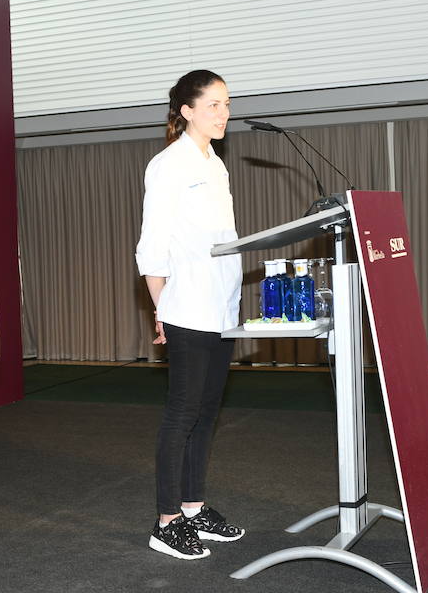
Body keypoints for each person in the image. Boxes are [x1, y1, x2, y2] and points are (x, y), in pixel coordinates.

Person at [135, 70, 246, 560]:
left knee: (206, 413)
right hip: (186, 306)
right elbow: (153, 244)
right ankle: (167, 521)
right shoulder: (168, 165)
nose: (224, 114)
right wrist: (161, 307)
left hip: (220, 307)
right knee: (182, 414)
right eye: (214, 105)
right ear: (187, 111)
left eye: (226, 104)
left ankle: (195, 508)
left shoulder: (215, 165)